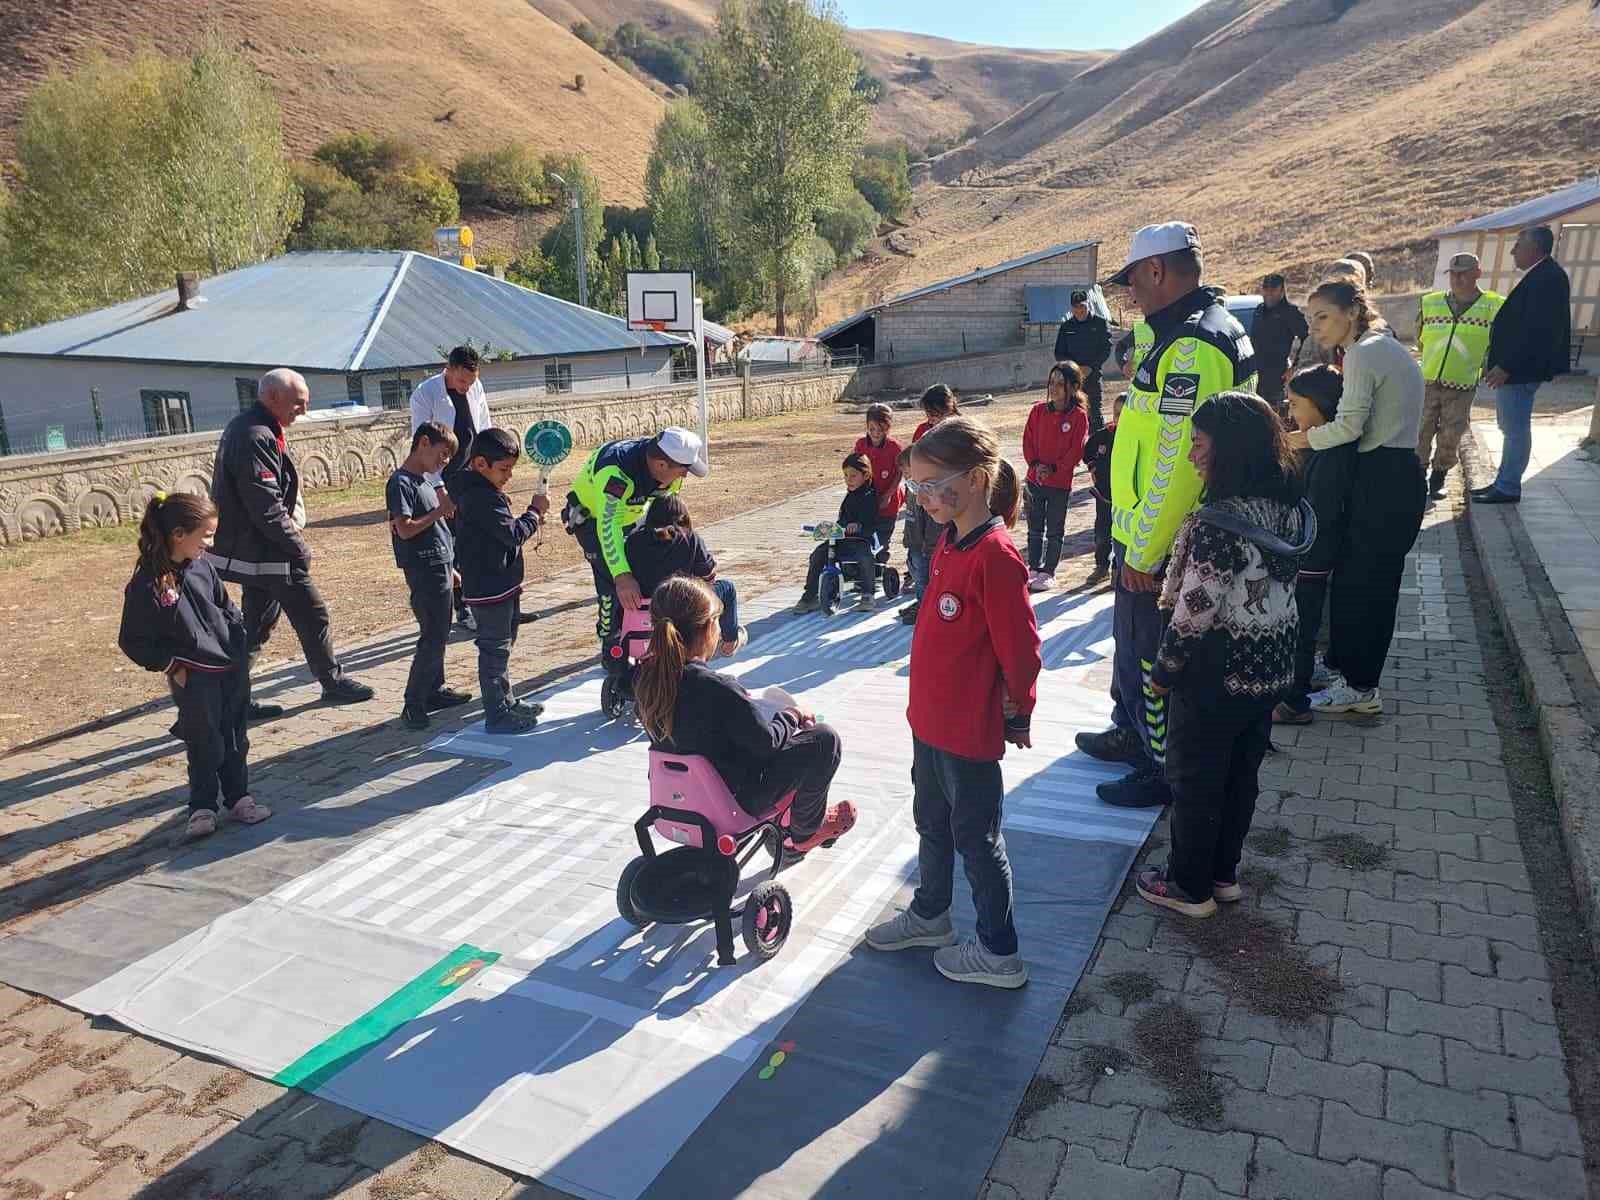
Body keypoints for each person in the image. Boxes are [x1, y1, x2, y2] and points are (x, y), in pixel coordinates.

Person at [1079, 222, 1257, 810]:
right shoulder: (1189, 332)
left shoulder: (1192, 347)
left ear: (1156, 270)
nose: (1129, 293)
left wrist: (1148, 550)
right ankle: (1133, 732)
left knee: (1154, 658)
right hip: (1149, 532)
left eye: (1132, 280)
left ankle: (1158, 767)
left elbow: (1178, 463)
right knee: (1132, 650)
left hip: (1160, 541)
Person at [864, 417, 1040, 989]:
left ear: (980, 477)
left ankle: (999, 951)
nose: (925, 499)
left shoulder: (996, 556)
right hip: (930, 723)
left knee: (977, 840)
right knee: (931, 823)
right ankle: (931, 915)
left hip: (967, 730)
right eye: (917, 487)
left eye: (936, 485)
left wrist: (1019, 710)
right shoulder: (947, 541)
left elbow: (1022, 651)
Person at [1135, 393, 1311, 917]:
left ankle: (1188, 887)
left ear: (1228, 451)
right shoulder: (1288, 509)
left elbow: (1194, 610)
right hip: (1270, 666)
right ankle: (1223, 875)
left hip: (1217, 673)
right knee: (1241, 775)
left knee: (1195, 780)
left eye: (1199, 443)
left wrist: (1164, 671)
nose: (1192, 454)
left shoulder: (1219, 524)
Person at [634, 575, 856, 856]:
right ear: (707, 630)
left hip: (677, 798)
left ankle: (793, 818)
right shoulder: (717, 687)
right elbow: (766, 744)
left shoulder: (645, 679)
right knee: (824, 739)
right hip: (735, 798)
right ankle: (802, 833)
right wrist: (791, 715)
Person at [1288, 281, 1426, 716]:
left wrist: (1294, 440)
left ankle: (1362, 689)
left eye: (1323, 316)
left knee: (1367, 590)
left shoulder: (1366, 353)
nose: (1315, 327)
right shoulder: (1374, 348)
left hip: (1385, 479)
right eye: (1311, 319)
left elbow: (1347, 427)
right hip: (1391, 474)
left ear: (1351, 311)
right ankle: (1350, 675)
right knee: (1359, 586)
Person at [209, 368, 373, 716]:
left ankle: (231, 698)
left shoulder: (255, 427)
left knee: (254, 627)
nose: (303, 410)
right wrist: (297, 546)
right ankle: (333, 682)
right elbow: (264, 503)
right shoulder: (255, 435)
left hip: (261, 552)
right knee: (313, 616)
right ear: (272, 397)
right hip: (270, 552)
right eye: (298, 403)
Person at [119, 492, 271, 840]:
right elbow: (132, 640)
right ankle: (202, 807)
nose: (211, 542)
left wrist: (238, 637)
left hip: (230, 669)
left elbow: (225, 605)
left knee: (234, 738)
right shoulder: (148, 583)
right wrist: (172, 664)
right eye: (205, 535)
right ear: (178, 534)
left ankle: (239, 799)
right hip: (193, 678)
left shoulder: (203, 566)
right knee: (205, 742)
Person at [565, 428, 708, 674]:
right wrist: (622, 576)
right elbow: (607, 527)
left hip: (632, 518)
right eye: (683, 468)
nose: (685, 474)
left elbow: (665, 506)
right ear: (662, 464)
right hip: (594, 521)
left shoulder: (666, 466)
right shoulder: (616, 473)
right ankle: (612, 646)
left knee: (645, 579)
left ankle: (643, 637)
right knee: (614, 588)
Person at [1273, 367, 1357, 725]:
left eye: (1295, 404)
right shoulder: (1314, 441)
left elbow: (1316, 509)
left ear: (1320, 405)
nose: (1290, 413)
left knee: (1300, 626)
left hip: (1309, 552)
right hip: (1304, 550)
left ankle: (1294, 701)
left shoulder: (1330, 452)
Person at [453, 428, 551, 735]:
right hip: (488, 586)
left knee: (504, 646)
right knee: (494, 650)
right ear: (480, 464)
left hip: (502, 582)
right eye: (504, 469)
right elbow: (511, 534)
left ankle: (507, 701)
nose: (508, 476)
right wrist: (534, 513)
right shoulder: (479, 495)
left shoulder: (482, 489)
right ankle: (497, 714)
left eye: (511, 469)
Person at [1473, 225, 1572, 505]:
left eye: (1519, 245)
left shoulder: (1548, 278)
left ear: (1535, 249)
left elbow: (1536, 331)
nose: (1513, 250)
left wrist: (1507, 366)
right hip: (1518, 368)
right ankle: (1503, 481)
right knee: (1510, 427)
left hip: (1520, 370)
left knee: (1515, 428)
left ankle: (1508, 486)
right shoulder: (1541, 275)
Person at [388, 422, 473, 731]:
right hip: (423, 570)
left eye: (449, 456)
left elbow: (434, 532)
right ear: (423, 443)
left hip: (439, 566)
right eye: (443, 453)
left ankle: (434, 690)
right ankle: (413, 702)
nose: (445, 461)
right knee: (433, 636)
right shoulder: (401, 483)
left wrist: (449, 566)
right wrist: (441, 510)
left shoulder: (423, 481)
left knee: (440, 632)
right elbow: (406, 528)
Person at [1416, 253, 1504, 499]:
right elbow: (1420, 337)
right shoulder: (1430, 302)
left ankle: (1438, 478)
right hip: (1429, 380)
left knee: (1452, 433)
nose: (1457, 278)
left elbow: (1497, 344)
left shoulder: (1494, 306)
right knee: (1420, 430)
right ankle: (1417, 476)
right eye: (1453, 273)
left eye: (1464, 273)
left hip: (1462, 383)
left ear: (1478, 273)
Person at [624, 495, 746, 657]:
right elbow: (708, 576)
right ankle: (729, 642)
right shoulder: (690, 538)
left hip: (643, 605)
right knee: (727, 588)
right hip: (682, 605)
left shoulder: (633, 541)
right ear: (683, 517)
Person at [1022, 360, 1090, 592]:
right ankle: (1032, 567)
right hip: (1035, 480)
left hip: (1059, 484)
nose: (1054, 387)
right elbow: (1028, 441)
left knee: (1054, 529)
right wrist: (1036, 466)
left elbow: (1075, 451)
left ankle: (1048, 570)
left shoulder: (1079, 417)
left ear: (1073, 387)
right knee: (1034, 527)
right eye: (1052, 382)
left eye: (1060, 383)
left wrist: (1053, 469)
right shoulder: (1037, 411)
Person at [898, 385, 959, 625]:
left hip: (951, 497)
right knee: (922, 554)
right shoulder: (924, 431)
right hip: (925, 498)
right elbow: (913, 461)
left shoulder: (960, 430)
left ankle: (941, 602)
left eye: (935, 413)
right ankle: (925, 601)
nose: (932, 419)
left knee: (946, 551)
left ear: (949, 407)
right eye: (928, 414)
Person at [795, 453, 880, 613]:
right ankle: (810, 596)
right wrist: (832, 528)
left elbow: (870, 521)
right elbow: (842, 520)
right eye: (846, 475)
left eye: (853, 475)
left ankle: (868, 594)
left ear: (866, 475)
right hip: (843, 540)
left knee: (864, 557)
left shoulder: (870, 496)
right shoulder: (849, 496)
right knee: (818, 554)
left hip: (862, 540)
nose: (849, 479)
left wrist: (858, 525)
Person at [1081, 393, 1125, 586]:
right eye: (1116, 413)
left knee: (1122, 534)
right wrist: (1093, 467)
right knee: (1102, 533)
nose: (1120, 418)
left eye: (1125, 414)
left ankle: (1118, 567)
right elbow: (1088, 449)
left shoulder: (1138, 438)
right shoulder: (1103, 436)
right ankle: (1101, 566)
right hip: (1104, 495)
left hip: (1126, 497)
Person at [1252, 273, 1310, 417]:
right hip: (1256, 374)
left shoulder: (1290, 312)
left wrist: (1295, 366)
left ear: (1282, 291)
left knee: (1277, 417)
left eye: (1273, 289)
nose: (1269, 293)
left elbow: (1307, 338)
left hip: (1278, 376)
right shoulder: (1258, 310)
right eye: (1266, 289)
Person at [1054, 289, 1112, 430]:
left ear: (1088, 305)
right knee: (1072, 413)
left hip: (1092, 376)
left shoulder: (1100, 323)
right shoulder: (1066, 327)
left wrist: (1091, 366)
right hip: (1072, 379)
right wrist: (1074, 368)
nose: (1079, 310)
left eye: (1082, 306)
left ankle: (1097, 448)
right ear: (1071, 308)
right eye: (1076, 307)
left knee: (1094, 414)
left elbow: (1106, 349)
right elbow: (1059, 353)